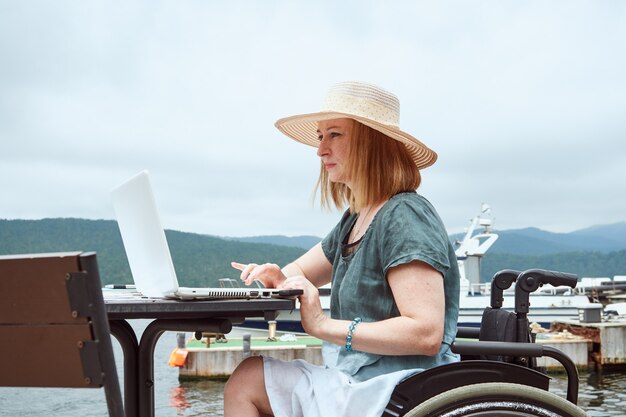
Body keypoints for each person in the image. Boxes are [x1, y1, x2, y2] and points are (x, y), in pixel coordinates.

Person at [224, 81, 460, 417]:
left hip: (400, 387)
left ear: (372, 143)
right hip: (360, 381)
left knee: (247, 381)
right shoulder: (357, 218)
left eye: (334, 135)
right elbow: (300, 273)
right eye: (320, 137)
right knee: (249, 377)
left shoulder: (404, 215)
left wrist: (320, 324)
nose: (320, 150)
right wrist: (277, 276)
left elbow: (424, 333)